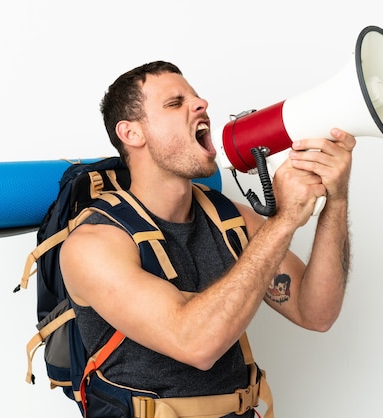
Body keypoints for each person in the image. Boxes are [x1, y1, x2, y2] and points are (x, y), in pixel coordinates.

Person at [59, 60, 356, 418]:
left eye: (197, 98)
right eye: (175, 103)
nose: (202, 105)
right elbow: (196, 344)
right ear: (131, 133)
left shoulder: (228, 218)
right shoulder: (94, 244)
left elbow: (316, 312)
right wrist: (284, 221)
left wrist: (336, 201)